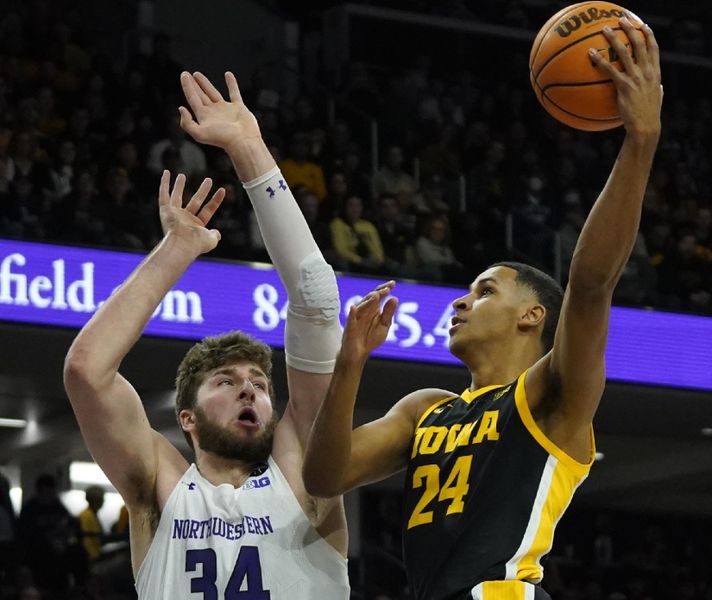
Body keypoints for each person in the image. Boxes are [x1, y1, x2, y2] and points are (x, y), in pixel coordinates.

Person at [303, 18, 662, 600]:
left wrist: (639, 141)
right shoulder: (426, 410)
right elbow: (324, 478)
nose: (461, 300)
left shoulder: (551, 397)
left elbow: (591, 284)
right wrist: (349, 365)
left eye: (486, 290)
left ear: (532, 316)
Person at [63, 70, 352, 598]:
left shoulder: (305, 471)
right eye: (226, 381)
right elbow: (87, 370)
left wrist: (248, 147)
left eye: (261, 385)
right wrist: (177, 250)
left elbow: (316, 298)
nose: (250, 389)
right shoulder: (160, 488)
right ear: (186, 418)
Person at [78, 485, 105, 564]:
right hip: (92, 559)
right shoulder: (86, 516)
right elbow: (86, 540)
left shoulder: (92, 515)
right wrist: (94, 558)